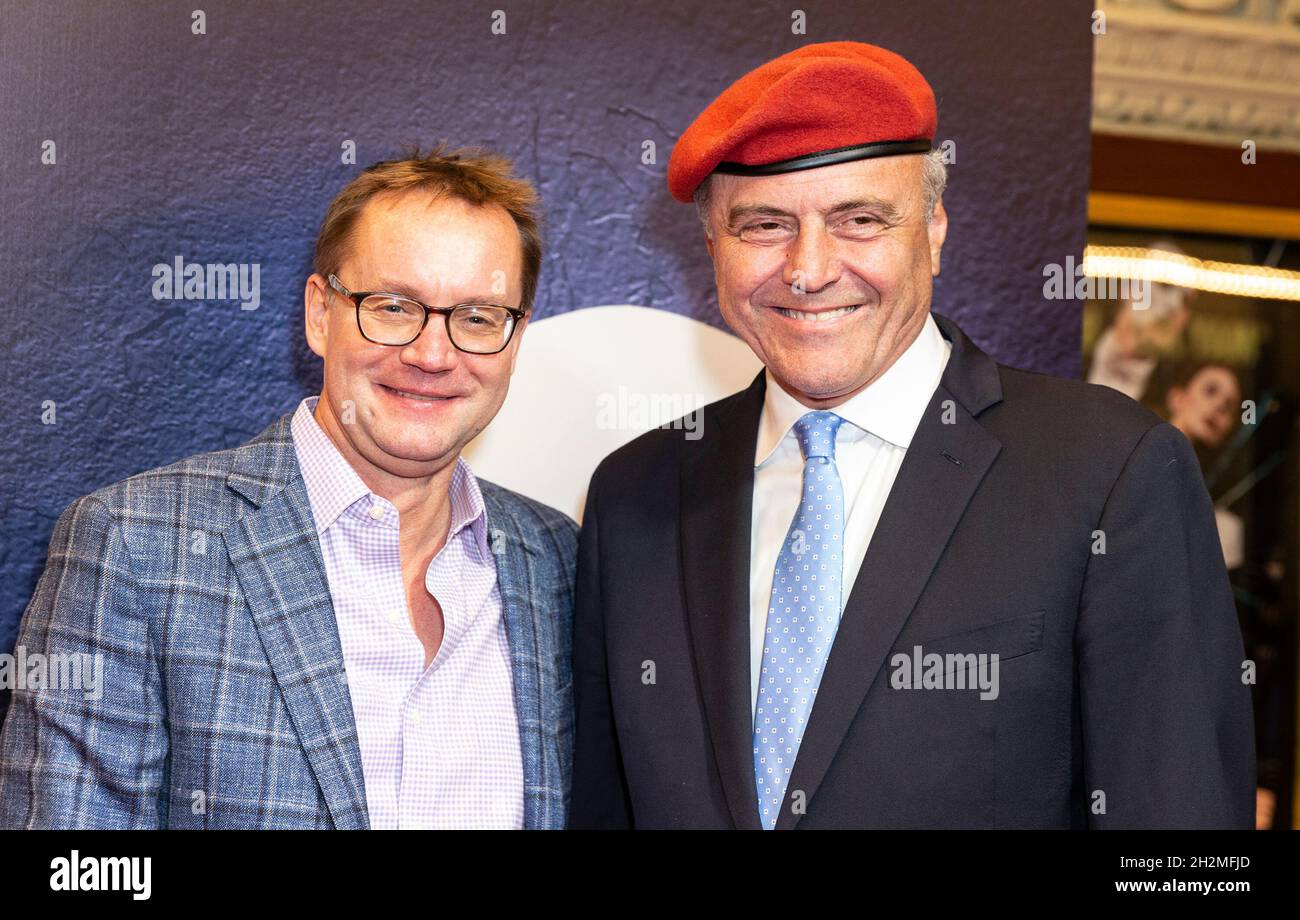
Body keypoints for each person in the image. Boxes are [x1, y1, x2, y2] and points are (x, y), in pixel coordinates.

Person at [570, 41, 1255, 829]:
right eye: (763, 225)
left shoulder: (1108, 473)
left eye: (859, 219)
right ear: (712, 248)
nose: (809, 269)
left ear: (932, 229)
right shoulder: (636, 496)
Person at [0, 146, 576, 829]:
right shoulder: (135, 545)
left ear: (516, 339)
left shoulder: (558, 563)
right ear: (319, 314)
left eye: (477, 317)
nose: (432, 354)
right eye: (393, 307)